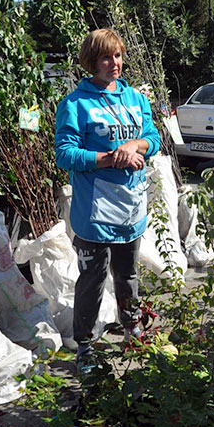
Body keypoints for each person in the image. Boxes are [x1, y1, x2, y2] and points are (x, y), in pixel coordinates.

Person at [54, 28, 161, 372]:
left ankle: (131, 328)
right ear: (91, 61)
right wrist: (109, 157)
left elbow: (152, 138)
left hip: (130, 205)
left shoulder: (136, 100)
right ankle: (85, 344)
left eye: (117, 55)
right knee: (92, 279)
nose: (113, 63)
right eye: (105, 57)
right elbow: (65, 155)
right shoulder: (75, 104)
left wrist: (133, 147)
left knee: (128, 275)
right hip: (94, 211)